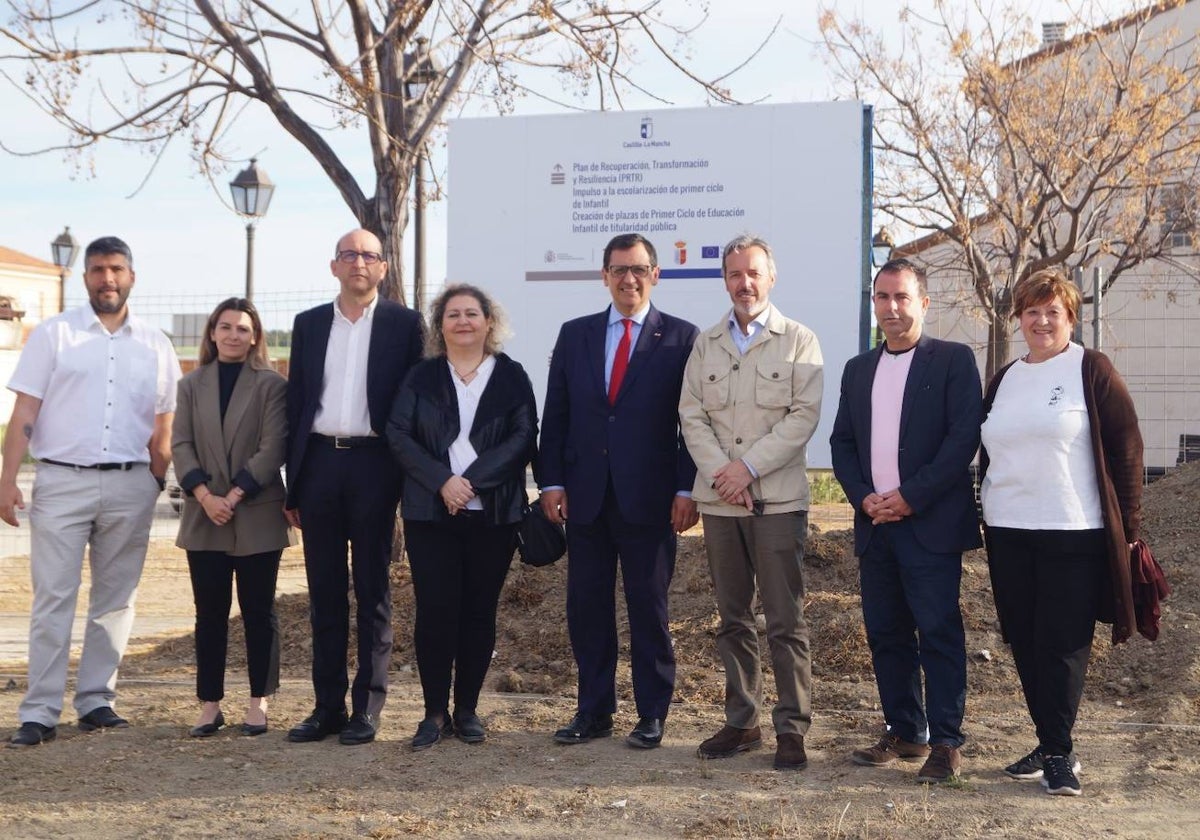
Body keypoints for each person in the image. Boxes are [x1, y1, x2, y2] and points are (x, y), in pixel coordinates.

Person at [1, 236, 180, 748]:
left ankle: (97, 700)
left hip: (131, 484)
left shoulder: (155, 344)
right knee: (53, 597)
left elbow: (163, 425)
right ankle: (39, 710)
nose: (108, 279)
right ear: (85, 278)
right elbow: (25, 413)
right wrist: (7, 478)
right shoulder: (54, 335)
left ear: (131, 277)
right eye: (98, 269)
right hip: (61, 482)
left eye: (117, 269)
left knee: (116, 600)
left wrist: (154, 480)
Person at [980, 268, 1143, 797]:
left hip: (1073, 529)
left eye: (1053, 311)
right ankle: (1052, 740)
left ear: (1071, 317)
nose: (1042, 320)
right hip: (1007, 528)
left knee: (1063, 643)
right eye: (1032, 310)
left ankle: (1059, 752)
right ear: (1019, 317)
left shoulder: (1092, 369)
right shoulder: (1005, 378)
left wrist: (1130, 528)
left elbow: (1127, 450)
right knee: (1024, 639)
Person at [539, 232, 699, 750]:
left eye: (638, 269)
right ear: (604, 275)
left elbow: (690, 425)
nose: (628, 278)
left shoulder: (681, 338)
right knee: (587, 608)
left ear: (656, 274)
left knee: (648, 608)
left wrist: (685, 487)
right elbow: (556, 415)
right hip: (585, 498)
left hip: (650, 501)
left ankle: (652, 713)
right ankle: (593, 710)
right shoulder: (575, 334)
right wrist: (552, 481)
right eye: (618, 269)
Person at [829, 258, 982, 783]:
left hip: (929, 525)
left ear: (923, 302)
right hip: (876, 525)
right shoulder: (858, 369)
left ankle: (945, 742)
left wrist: (910, 497)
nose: (891, 309)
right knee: (886, 632)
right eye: (882, 298)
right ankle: (905, 731)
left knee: (938, 632)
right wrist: (864, 498)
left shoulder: (954, 361)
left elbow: (962, 439)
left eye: (901, 298)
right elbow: (842, 443)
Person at [678, 234, 823, 771]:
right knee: (732, 617)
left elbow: (802, 417)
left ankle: (792, 728)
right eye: (735, 274)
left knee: (785, 620)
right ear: (725, 280)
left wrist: (747, 468)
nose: (745, 284)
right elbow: (691, 414)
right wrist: (722, 473)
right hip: (720, 503)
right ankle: (743, 722)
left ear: (771, 276)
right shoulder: (707, 344)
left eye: (754, 273)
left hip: (777, 502)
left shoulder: (799, 341)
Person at [284, 229, 424, 746]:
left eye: (368, 255)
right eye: (349, 255)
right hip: (319, 464)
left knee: (373, 590)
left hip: (375, 467)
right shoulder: (309, 324)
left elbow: (413, 404)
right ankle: (326, 708)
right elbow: (297, 404)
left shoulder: (405, 326)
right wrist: (291, 484)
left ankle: (368, 707)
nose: (359, 263)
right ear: (334, 266)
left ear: (383, 268)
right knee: (323, 592)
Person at [387, 284, 538, 750]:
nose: (463, 322)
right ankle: (433, 713)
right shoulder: (422, 376)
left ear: (489, 323)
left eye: (472, 313)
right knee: (435, 612)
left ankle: (467, 710)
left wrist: (469, 482)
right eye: (453, 315)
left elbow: (523, 436)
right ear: (441, 325)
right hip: (431, 514)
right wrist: (442, 482)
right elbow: (398, 432)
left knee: (478, 612)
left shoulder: (511, 376)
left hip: (491, 515)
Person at [172, 298, 294, 738]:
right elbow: (181, 445)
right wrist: (206, 495)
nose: (233, 335)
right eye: (225, 327)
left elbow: (273, 447)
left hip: (256, 513)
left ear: (255, 336)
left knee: (259, 611)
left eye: (243, 328)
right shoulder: (190, 385)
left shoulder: (271, 386)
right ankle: (209, 705)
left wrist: (235, 493)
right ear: (212, 333)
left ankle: (258, 701)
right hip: (205, 515)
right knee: (210, 613)